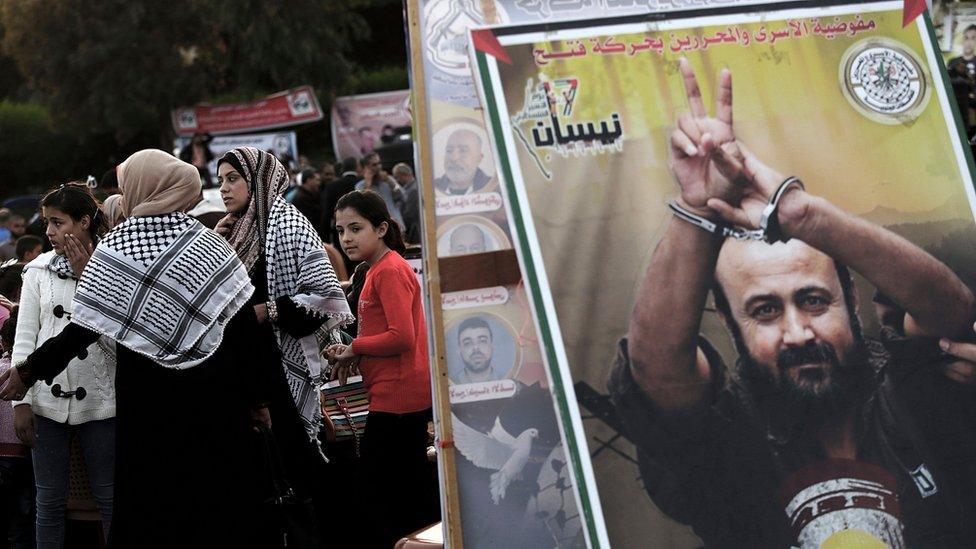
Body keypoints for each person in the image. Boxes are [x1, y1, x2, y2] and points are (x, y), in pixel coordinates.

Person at [608, 59, 976, 546]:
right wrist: (696, 211)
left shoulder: (905, 385)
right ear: (729, 322)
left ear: (850, 299)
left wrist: (806, 216)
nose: (799, 332)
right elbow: (656, 370)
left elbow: (950, 311)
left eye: (814, 300)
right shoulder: (725, 437)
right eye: (765, 310)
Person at [0, 150, 275, 549]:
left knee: (155, 507)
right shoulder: (210, 246)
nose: (123, 196)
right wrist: (257, 397)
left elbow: (83, 329)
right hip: (216, 400)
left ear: (147, 188)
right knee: (216, 504)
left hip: (151, 406)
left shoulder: (117, 250)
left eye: (127, 187)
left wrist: (28, 372)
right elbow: (242, 326)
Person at [215, 146, 353, 524]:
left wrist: (268, 309)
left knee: (304, 469)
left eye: (233, 179)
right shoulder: (239, 229)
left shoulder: (288, 225)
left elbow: (326, 296)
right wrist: (217, 244)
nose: (224, 189)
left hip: (286, 369)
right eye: (220, 181)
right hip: (256, 371)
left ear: (258, 180)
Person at [9, 183, 116, 548]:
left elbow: (117, 339)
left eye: (58, 223)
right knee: (48, 503)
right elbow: (25, 338)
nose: (49, 232)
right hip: (46, 403)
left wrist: (90, 276)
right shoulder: (37, 270)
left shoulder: (112, 267)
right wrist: (20, 403)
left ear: (84, 221)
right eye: (47, 224)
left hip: (102, 404)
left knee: (110, 499)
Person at [328, 190, 434, 547]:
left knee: (383, 492)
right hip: (391, 394)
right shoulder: (377, 269)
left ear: (382, 228)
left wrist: (354, 347)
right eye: (341, 230)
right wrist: (354, 354)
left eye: (356, 228)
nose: (346, 238)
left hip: (400, 397)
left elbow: (401, 336)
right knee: (401, 488)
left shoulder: (389, 270)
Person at [0, 307, 34, 549]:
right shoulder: (35, 374)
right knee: (23, 519)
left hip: (1, 457)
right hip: (26, 455)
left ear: (2, 342)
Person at [434, 129, 491, 195]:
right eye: (449, 151)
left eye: (463, 150)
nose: (454, 158)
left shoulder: (494, 187)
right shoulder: (432, 188)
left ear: (479, 159)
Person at [355, 152, 404, 229]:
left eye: (379, 163)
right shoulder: (360, 186)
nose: (379, 167)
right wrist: (368, 184)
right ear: (366, 168)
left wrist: (390, 182)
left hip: (396, 225)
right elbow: (363, 206)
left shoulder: (388, 180)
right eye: (374, 165)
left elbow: (403, 197)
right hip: (378, 228)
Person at [322, 156, 361, 250]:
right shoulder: (361, 183)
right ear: (357, 166)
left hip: (340, 233)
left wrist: (325, 239)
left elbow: (327, 214)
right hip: (360, 230)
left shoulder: (332, 186)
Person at [452, 316, 506, 384]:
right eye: (467, 343)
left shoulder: (507, 380)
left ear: (492, 347)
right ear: (459, 351)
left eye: (482, 341)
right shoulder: (451, 384)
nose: (476, 347)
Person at [0, 236, 44, 302]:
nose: (42, 255)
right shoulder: (18, 272)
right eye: (39, 252)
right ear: (27, 254)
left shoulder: (10, 267)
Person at [287, 167, 323, 234]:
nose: (319, 183)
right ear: (309, 180)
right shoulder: (302, 198)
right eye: (317, 180)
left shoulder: (310, 195)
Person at [392, 163, 421, 245]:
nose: (396, 180)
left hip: (413, 232)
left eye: (397, 177)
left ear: (404, 175)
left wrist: (399, 226)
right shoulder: (407, 189)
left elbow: (409, 215)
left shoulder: (414, 190)